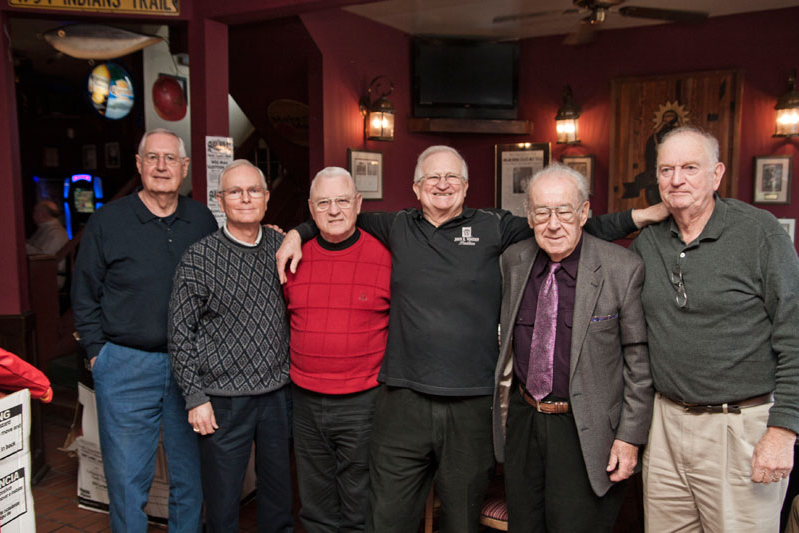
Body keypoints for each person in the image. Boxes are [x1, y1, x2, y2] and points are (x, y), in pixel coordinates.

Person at [276, 145, 668, 533]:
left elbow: (568, 225)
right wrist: (298, 231)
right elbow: (339, 217)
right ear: (416, 187)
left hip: (471, 404)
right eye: (433, 176)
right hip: (402, 401)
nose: (442, 184)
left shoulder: (494, 226)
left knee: (461, 519)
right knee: (387, 518)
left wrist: (641, 216)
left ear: (466, 186)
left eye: (452, 177)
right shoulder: (396, 225)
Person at [630, 126, 799, 532]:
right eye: (666, 169)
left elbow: (795, 333)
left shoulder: (759, 233)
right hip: (666, 424)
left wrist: (783, 431)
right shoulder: (648, 241)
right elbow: (576, 233)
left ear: (717, 174)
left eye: (690, 167)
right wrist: (636, 215)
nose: (676, 179)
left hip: (740, 427)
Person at [492, 164, 653, 531]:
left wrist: (629, 437)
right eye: (542, 212)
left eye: (564, 211)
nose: (553, 223)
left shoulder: (621, 268)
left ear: (583, 213)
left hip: (586, 429)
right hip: (525, 421)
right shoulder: (513, 262)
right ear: (529, 217)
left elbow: (639, 363)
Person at [72, 128, 216, 532]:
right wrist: (100, 354)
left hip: (190, 370)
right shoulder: (107, 221)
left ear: (185, 168)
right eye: (152, 158)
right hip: (125, 366)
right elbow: (83, 294)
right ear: (138, 165)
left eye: (170, 159)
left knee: (191, 480)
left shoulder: (201, 219)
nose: (161, 166)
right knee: (126, 483)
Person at [169, 160, 292, 532]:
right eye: (235, 192)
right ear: (221, 201)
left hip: (277, 394)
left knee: (278, 497)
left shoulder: (281, 245)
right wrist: (195, 397)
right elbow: (179, 333)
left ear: (267, 198)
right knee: (222, 504)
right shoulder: (199, 258)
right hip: (221, 400)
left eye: (254, 190)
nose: (245, 198)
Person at [283, 167, 391, 532]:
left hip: (363, 401)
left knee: (359, 503)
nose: (334, 211)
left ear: (358, 204)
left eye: (342, 200)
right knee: (315, 505)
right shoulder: (292, 257)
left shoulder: (385, 256)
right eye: (324, 203)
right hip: (306, 401)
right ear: (310, 210)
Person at [26, 199, 69, 288]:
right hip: (42, 273)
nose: (32, 215)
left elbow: (44, 259)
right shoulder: (45, 229)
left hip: (51, 277)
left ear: (43, 214)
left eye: (35, 211)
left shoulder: (55, 233)